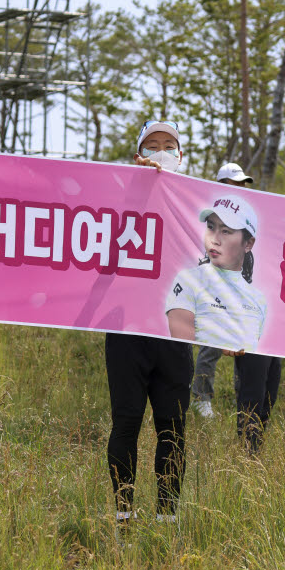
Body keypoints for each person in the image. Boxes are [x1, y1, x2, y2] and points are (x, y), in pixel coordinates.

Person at [106, 120, 195, 541]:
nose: (160, 151)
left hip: (176, 332)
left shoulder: (201, 203)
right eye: (151, 145)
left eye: (168, 145)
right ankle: (123, 516)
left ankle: (167, 517)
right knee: (125, 423)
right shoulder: (120, 192)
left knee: (172, 427)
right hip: (126, 330)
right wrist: (135, 184)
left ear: (181, 155)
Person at [165, 195, 279, 453]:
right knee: (250, 396)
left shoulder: (259, 298)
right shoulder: (189, 280)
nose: (214, 238)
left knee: (266, 397)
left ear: (248, 243)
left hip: (255, 347)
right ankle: (246, 452)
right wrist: (219, 336)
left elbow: (261, 336)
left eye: (226, 231)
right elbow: (180, 333)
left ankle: (254, 454)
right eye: (211, 227)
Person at [190, 162, 255, 418]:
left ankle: (244, 400)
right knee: (212, 345)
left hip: (242, 289)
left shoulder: (248, 214)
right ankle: (201, 397)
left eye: (242, 184)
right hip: (215, 289)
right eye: (233, 184)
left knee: (245, 345)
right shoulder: (210, 217)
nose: (239, 189)